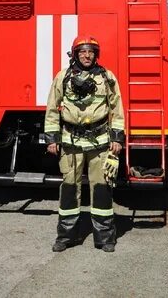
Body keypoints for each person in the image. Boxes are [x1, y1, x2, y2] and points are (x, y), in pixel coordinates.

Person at [45, 35, 125, 253]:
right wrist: (52, 138)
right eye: (82, 51)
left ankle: (105, 238)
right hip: (70, 143)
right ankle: (66, 236)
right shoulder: (63, 77)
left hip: (100, 142)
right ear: (75, 54)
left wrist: (117, 138)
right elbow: (52, 108)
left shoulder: (107, 77)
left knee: (101, 189)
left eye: (91, 51)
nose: (87, 55)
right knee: (70, 189)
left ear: (95, 55)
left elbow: (117, 108)